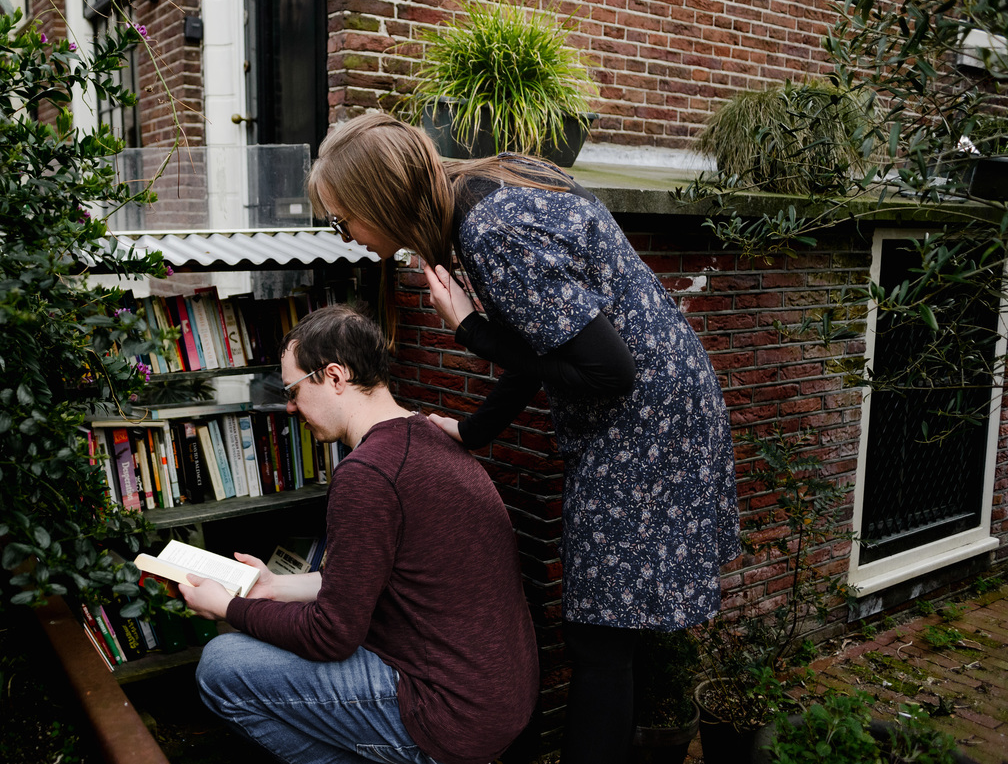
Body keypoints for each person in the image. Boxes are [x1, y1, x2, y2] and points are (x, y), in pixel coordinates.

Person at [305, 113, 742, 763]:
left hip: (640, 421)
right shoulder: (485, 189)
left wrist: (472, 331)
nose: (349, 234)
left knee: (598, 641)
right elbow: (550, 339)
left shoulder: (491, 229)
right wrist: (477, 428)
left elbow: (607, 370)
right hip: (663, 399)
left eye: (345, 219)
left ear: (379, 201)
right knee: (611, 634)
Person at [179, 304, 539, 764]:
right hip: (498, 698)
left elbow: (330, 636)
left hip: (446, 716)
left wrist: (229, 607)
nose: (290, 406)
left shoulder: (368, 473)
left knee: (222, 665)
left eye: (293, 389)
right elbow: (376, 577)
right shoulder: (427, 436)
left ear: (333, 377)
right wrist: (275, 588)